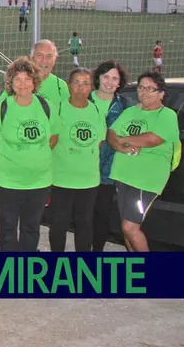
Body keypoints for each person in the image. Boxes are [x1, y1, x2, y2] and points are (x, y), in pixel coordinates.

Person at [0, 57, 59, 252]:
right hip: (7, 181)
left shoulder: (45, 105)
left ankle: (26, 273)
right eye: (18, 79)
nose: (23, 84)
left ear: (35, 82)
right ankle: (8, 273)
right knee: (7, 228)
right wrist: (9, 160)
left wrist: (35, 156)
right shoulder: (3, 107)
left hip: (39, 181)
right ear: (11, 83)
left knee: (31, 229)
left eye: (27, 79)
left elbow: (54, 138)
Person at [107, 71, 179, 252]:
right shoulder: (130, 111)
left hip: (145, 180)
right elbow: (111, 134)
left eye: (150, 89)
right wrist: (120, 146)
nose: (144, 92)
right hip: (122, 175)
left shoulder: (167, 115)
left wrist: (124, 139)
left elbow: (152, 139)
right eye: (141, 87)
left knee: (130, 227)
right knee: (126, 227)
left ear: (161, 93)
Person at [49, 68, 105, 252]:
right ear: (69, 85)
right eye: (76, 83)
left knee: (85, 224)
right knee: (59, 223)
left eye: (85, 83)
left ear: (91, 87)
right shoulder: (57, 108)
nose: (81, 88)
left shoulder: (96, 109)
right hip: (61, 179)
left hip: (88, 180)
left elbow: (99, 142)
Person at [90, 60, 130, 251]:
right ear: (98, 77)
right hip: (81, 167)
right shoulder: (84, 99)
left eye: (114, 78)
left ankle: (95, 253)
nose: (109, 81)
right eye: (106, 76)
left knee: (101, 214)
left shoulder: (124, 105)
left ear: (120, 82)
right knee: (82, 215)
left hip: (108, 170)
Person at [29, 40, 69, 106]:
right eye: (40, 55)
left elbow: (66, 114)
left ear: (54, 60)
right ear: (31, 58)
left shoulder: (60, 86)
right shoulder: (18, 83)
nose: (44, 60)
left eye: (49, 56)